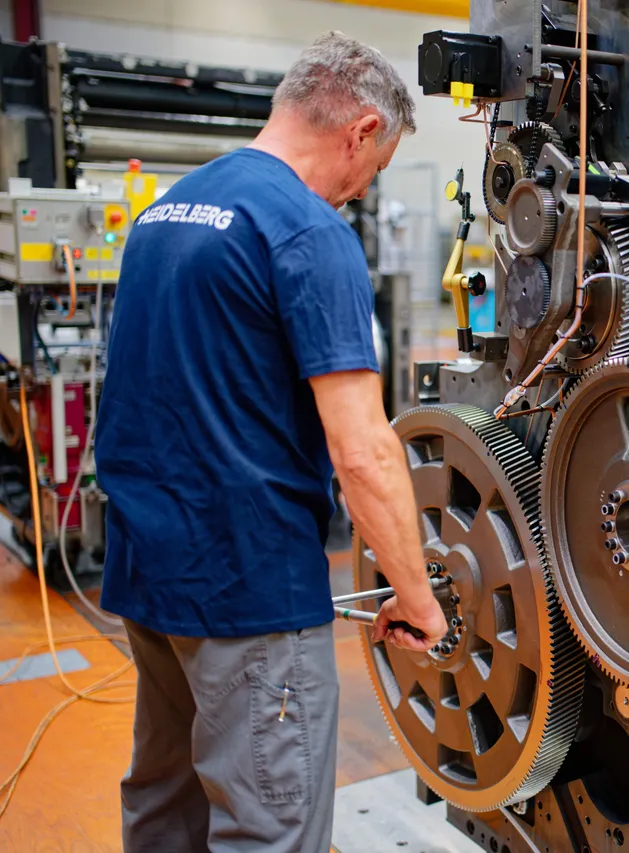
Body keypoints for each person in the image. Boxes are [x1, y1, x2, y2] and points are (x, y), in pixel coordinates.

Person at [94, 31, 448, 853]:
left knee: (164, 806)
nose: (359, 194)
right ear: (360, 130)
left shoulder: (166, 212)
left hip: (152, 578)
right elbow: (362, 451)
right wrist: (418, 595)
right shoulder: (306, 232)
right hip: (249, 596)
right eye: (375, 169)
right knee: (269, 825)